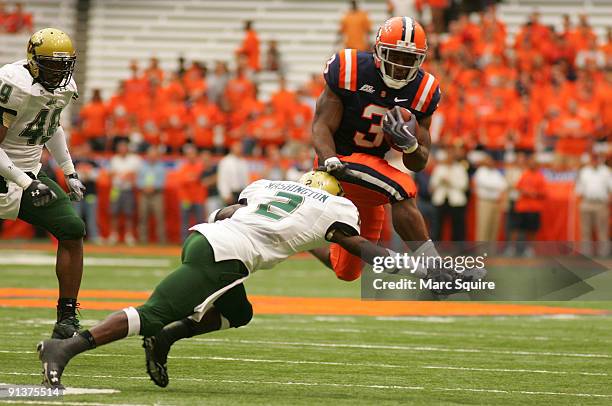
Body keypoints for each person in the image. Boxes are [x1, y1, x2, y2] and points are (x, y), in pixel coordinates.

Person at [37, 171, 476, 389]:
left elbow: (228, 213)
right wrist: (407, 265)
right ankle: (67, 346)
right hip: (227, 258)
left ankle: (165, 339)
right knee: (150, 314)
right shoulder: (333, 209)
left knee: (238, 313)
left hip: (209, 239)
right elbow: (357, 247)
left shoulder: (270, 186)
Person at [312, 16, 441, 280]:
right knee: (402, 187)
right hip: (340, 161)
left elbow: (418, 162)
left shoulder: (424, 90)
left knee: (346, 271)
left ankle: (302, 239)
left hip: (373, 172)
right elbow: (321, 125)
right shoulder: (350, 68)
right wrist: (329, 159)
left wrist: (411, 145)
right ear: (379, 51)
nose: (402, 65)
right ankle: (435, 268)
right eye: (396, 55)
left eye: (409, 58)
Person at [0, 28, 86, 338]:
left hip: (29, 172)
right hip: (9, 173)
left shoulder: (63, 88)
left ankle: (67, 316)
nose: (61, 71)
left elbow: (51, 125)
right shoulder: (13, 84)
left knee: (72, 229)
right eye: (53, 63)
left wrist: (69, 171)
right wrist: (26, 183)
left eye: (65, 64)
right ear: (34, 62)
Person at [575, 154, 611, 257]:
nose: (595, 160)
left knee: (603, 231)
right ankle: (586, 254)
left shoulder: (606, 171)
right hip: (586, 202)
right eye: (593, 158)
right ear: (590, 159)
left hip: (601, 203)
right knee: (585, 230)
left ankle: (604, 255)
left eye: (596, 158)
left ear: (600, 159)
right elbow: (579, 189)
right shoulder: (584, 171)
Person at [429, 148, 468, 241]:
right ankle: (436, 249)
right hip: (440, 201)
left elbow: (464, 185)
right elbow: (432, 186)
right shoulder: (439, 168)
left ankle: (458, 250)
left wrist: (450, 181)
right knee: (437, 227)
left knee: (458, 227)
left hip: (456, 202)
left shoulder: (460, 168)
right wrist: (440, 181)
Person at [108, 140, 141, 245]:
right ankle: (114, 235)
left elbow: (137, 173)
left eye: (124, 148)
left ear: (127, 149)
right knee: (114, 213)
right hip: (116, 189)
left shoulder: (134, 160)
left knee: (129, 214)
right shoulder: (114, 159)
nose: (122, 150)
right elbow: (109, 173)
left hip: (128, 189)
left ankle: (129, 235)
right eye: (120, 148)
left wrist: (129, 175)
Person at [473, 154, 507, 241]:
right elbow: (485, 183)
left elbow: (504, 185)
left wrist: (498, 186)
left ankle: (491, 251)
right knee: (484, 226)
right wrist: (498, 186)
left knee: (494, 226)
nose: (490, 162)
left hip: (496, 202)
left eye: (491, 160)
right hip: (485, 202)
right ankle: (481, 251)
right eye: (488, 160)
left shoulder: (495, 172)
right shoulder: (481, 171)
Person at [136, 146, 167, 244]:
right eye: (151, 155)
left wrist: (153, 187)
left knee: (160, 218)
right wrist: (144, 187)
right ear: (147, 155)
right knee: (142, 217)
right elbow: (138, 180)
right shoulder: (142, 166)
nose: (152, 157)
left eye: (154, 155)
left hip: (157, 194)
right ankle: (143, 239)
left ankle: (162, 240)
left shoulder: (161, 167)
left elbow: (162, 182)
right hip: (144, 194)